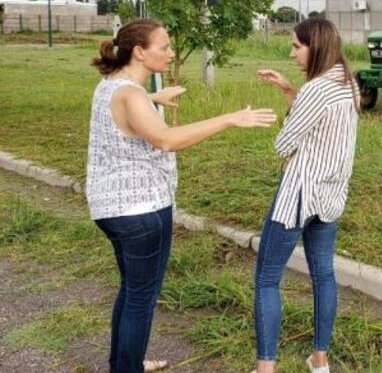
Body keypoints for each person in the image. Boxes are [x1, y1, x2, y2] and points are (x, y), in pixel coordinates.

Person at [87, 19, 276, 373]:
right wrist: (229, 118)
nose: (171, 53)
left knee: (131, 291)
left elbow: (125, 108)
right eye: (164, 47)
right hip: (141, 212)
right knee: (140, 299)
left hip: (110, 209)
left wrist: (152, 98)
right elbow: (166, 139)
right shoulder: (130, 94)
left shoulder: (112, 85)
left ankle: (125, 363)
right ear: (140, 52)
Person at [253, 18, 360, 373]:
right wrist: (288, 90)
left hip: (298, 195)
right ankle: (320, 361)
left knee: (267, 279)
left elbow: (283, 144)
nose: (292, 53)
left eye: (297, 46)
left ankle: (265, 368)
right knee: (323, 275)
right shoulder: (347, 83)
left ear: (316, 47)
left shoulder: (316, 89)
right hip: (330, 195)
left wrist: (291, 109)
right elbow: (319, 121)